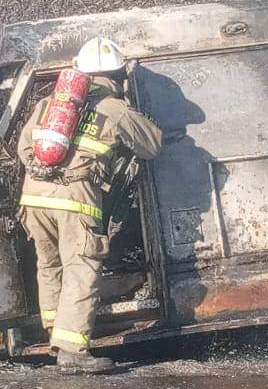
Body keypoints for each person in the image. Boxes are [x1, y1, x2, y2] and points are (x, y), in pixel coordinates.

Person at [16, 37, 162, 374]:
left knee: (50, 265)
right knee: (82, 267)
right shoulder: (114, 108)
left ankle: (54, 333)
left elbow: (25, 150)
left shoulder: (50, 106)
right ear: (117, 75)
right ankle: (71, 350)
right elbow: (152, 145)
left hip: (35, 197)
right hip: (74, 199)